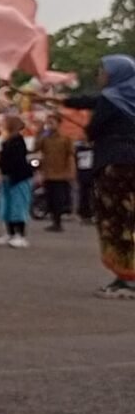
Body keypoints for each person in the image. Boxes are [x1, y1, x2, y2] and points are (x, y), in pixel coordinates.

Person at [58, 55, 135, 298]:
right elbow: (89, 101)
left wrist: (89, 131)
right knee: (130, 218)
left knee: (116, 219)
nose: (100, 76)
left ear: (114, 74)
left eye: (102, 71)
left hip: (113, 165)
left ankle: (126, 278)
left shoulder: (110, 100)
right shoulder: (128, 98)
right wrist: (59, 100)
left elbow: (94, 127)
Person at [0, 115, 33, 249]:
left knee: (18, 206)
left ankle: (21, 236)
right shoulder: (6, 141)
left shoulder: (18, 141)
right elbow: (3, 161)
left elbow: (14, 162)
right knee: (6, 206)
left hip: (19, 179)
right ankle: (9, 233)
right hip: (8, 178)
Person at [36, 114, 75, 232]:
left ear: (58, 123)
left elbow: (70, 155)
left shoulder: (65, 138)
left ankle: (58, 222)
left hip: (61, 173)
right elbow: (36, 147)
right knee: (50, 198)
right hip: (48, 172)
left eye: (52, 122)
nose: (49, 125)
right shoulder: (45, 138)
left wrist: (71, 171)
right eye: (48, 123)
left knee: (58, 199)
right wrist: (40, 131)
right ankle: (54, 221)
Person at [75, 140, 95, 224]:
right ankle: (85, 213)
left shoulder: (80, 150)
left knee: (86, 195)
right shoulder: (81, 150)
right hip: (85, 175)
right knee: (84, 195)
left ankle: (88, 213)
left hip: (86, 174)